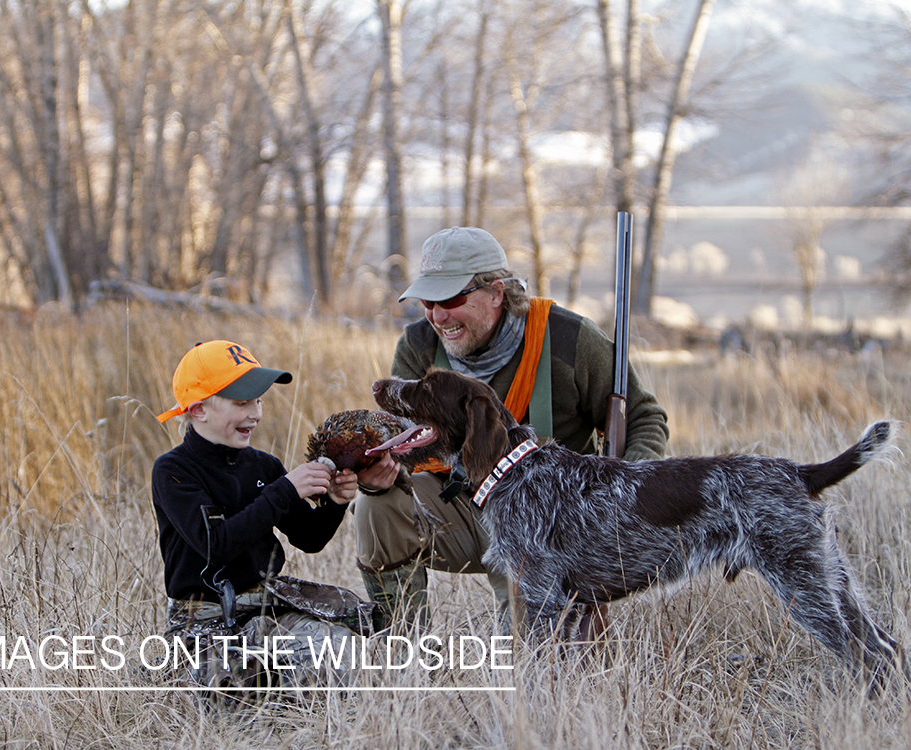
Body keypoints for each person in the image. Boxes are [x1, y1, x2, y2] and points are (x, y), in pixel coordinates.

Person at [353, 226, 669, 633]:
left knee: (536, 657)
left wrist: (627, 494)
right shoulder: (418, 345)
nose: (436, 315)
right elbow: (402, 435)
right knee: (375, 504)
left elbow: (644, 416)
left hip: (548, 518)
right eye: (428, 301)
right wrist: (375, 470)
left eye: (450, 299)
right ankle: (400, 648)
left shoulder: (570, 340)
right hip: (457, 505)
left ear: (497, 293)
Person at [152, 340, 372, 699]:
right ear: (198, 410)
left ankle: (291, 695)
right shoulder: (173, 471)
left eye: (259, 400)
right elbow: (215, 545)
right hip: (203, 617)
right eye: (242, 403)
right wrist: (284, 490)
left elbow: (310, 538)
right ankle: (193, 672)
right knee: (234, 695)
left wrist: (334, 502)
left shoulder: (263, 465)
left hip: (267, 606)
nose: (255, 413)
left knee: (340, 653)